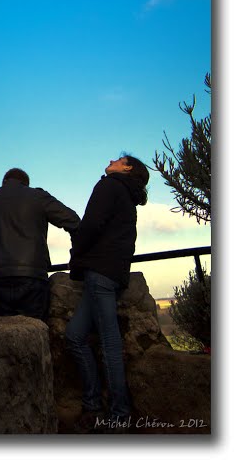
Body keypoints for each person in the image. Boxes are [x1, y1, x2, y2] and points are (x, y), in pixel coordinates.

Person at [65, 155, 150, 431]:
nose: (112, 159)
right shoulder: (127, 196)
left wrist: (76, 252)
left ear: (128, 168)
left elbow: (90, 225)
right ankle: (93, 404)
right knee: (75, 336)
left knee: (110, 343)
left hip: (101, 273)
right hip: (110, 274)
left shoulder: (110, 185)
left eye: (119, 159)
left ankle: (119, 415)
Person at [0, 168, 80, 321]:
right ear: (26, 183)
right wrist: (77, 255)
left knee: (3, 330)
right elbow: (73, 221)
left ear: (4, 182)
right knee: (34, 327)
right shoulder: (37, 196)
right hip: (32, 273)